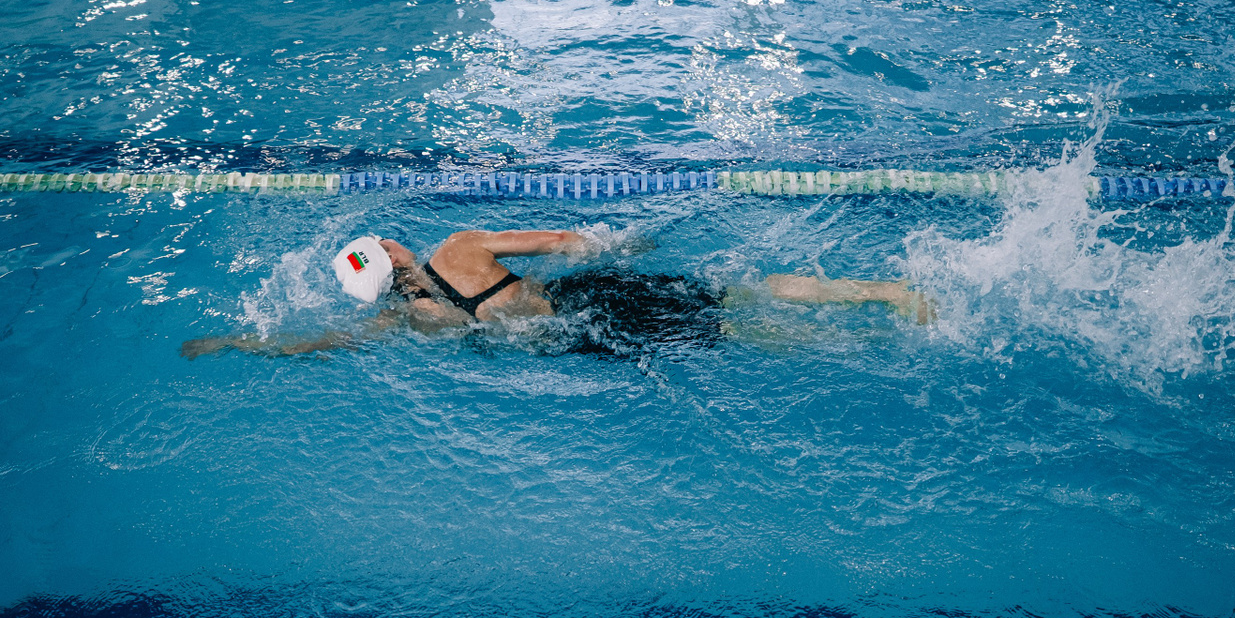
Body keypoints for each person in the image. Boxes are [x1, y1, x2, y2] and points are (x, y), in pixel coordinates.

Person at [179, 228, 932, 359]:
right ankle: (884, 292)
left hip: (581, 341)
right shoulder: (458, 248)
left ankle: (870, 339)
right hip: (589, 296)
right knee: (736, 295)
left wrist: (239, 342)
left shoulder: (415, 324)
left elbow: (325, 344)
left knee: (734, 336)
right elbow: (567, 243)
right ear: (395, 254)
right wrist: (624, 246)